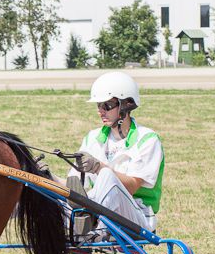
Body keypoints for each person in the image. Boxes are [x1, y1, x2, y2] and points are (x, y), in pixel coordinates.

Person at [66, 71, 164, 239]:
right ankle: (77, 227)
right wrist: (45, 177)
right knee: (52, 191)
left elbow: (132, 185)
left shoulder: (148, 139)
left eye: (107, 105)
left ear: (126, 105)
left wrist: (98, 167)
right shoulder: (92, 138)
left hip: (138, 220)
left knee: (106, 176)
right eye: (98, 105)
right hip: (98, 210)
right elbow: (73, 186)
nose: (100, 111)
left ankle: (92, 229)